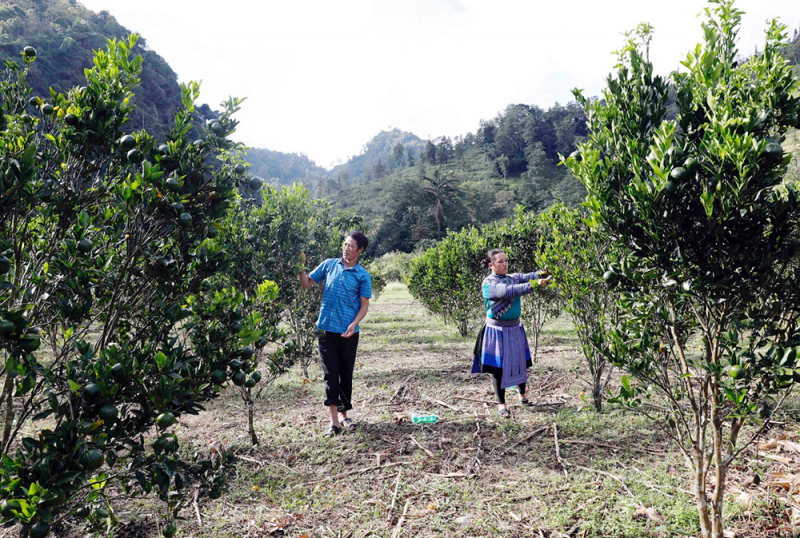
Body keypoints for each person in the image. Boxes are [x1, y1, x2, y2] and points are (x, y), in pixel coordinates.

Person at [298, 232, 372, 437]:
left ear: (360, 250)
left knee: (345, 374)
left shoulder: (362, 275)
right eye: (345, 244)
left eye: (351, 246)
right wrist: (299, 266)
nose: (346, 248)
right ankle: (333, 422)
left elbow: (364, 305)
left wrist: (354, 324)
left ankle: (344, 414)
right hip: (326, 329)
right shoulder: (329, 265)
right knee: (330, 374)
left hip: (349, 332)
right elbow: (306, 283)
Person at [471, 248, 549, 417]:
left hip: (515, 328)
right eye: (500, 262)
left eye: (506, 261)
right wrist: (534, 285)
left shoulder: (510, 278)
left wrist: (539, 274)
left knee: (521, 362)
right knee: (498, 369)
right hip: (496, 331)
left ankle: (523, 398)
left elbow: (523, 276)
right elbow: (508, 291)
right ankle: (502, 406)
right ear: (491, 265)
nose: (505, 264)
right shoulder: (489, 284)